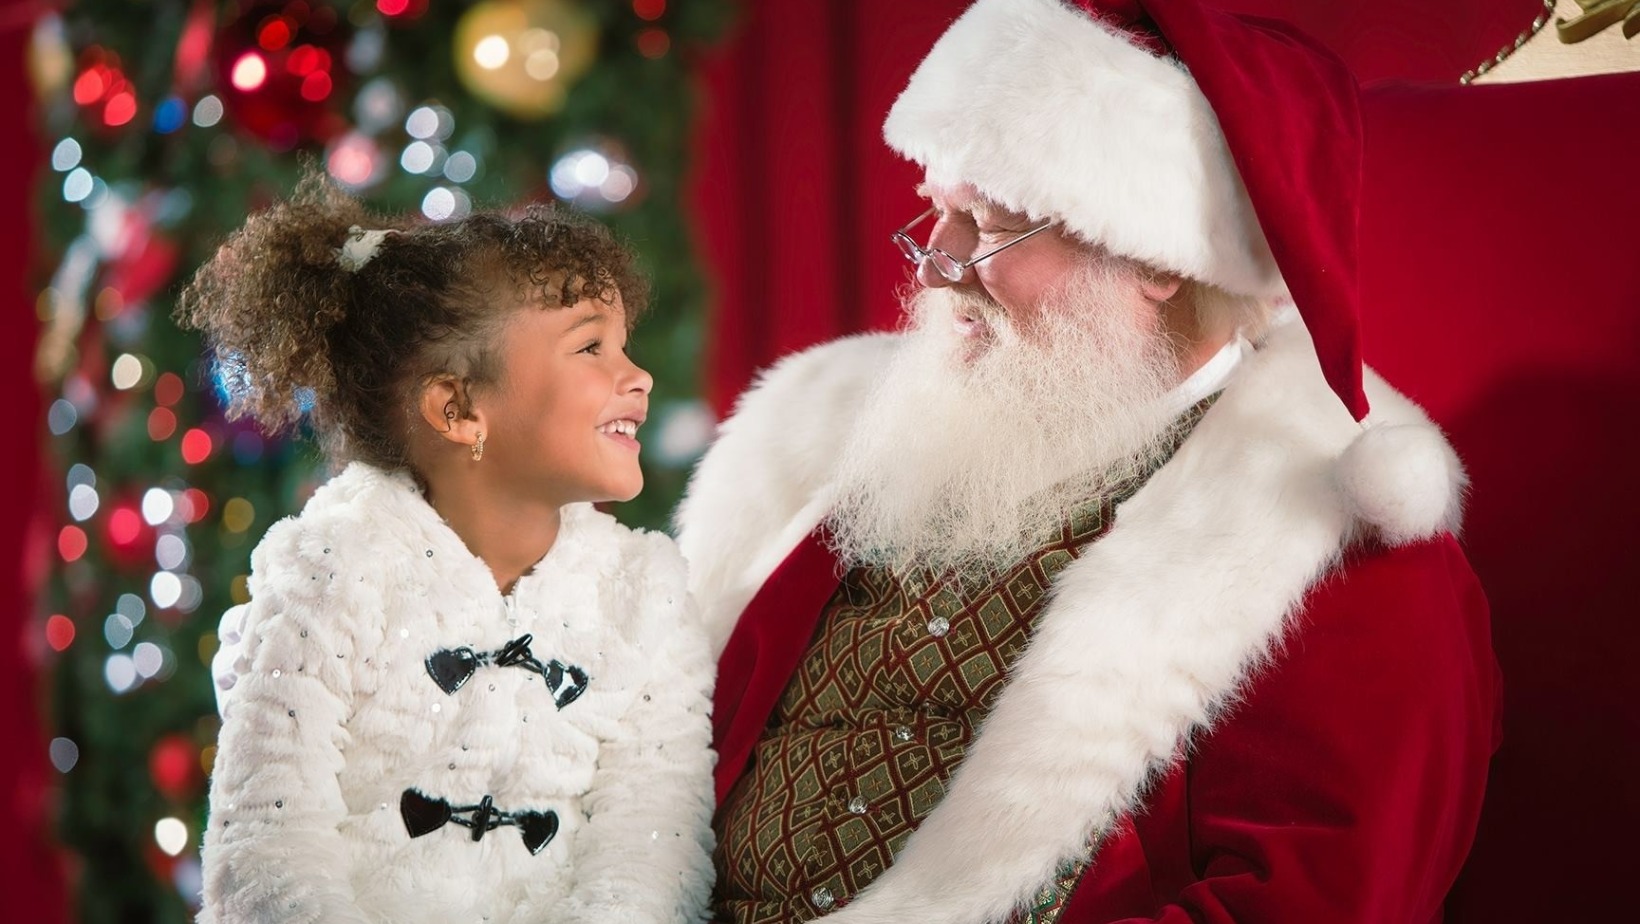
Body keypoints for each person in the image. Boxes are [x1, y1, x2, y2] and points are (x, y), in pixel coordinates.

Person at [675, 0, 1500, 921]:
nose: (936, 265)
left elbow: (1316, 899)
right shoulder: (845, 433)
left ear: (1153, 260)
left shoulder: (1339, 547)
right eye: (938, 214)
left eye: (986, 227)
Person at [181, 172, 715, 924]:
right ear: (458, 408)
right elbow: (268, 847)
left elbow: (653, 844)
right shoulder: (330, 571)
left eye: (624, 345)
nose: (638, 376)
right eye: (591, 346)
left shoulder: (645, 593)